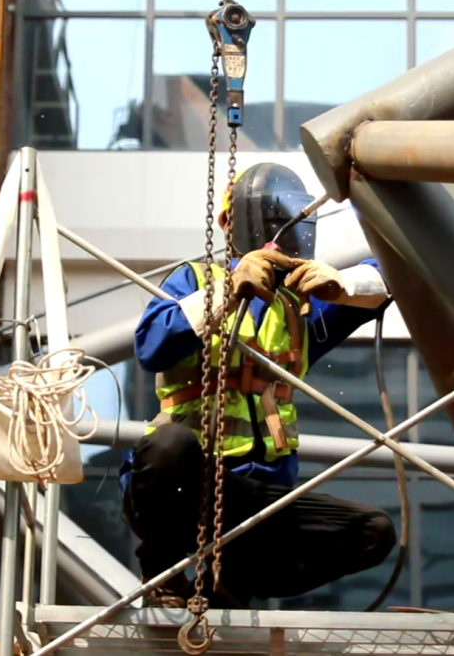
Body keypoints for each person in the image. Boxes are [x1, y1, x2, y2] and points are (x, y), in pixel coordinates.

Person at [121, 162, 396, 608]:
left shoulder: (303, 308)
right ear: (229, 223)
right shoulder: (196, 281)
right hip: (183, 489)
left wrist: (343, 284)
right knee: (169, 444)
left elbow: (395, 271)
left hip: (254, 501)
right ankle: (162, 574)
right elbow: (151, 346)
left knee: (373, 532)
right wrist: (229, 289)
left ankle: (230, 585)